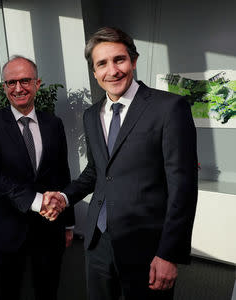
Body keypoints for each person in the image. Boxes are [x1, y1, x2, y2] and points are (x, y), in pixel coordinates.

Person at [42, 27, 198, 300]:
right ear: (94, 72)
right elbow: (96, 172)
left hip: (149, 247)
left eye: (119, 59)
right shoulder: (91, 116)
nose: (112, 70)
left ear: (134, 60)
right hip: (98, 242)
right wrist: (65, 197)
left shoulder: (169, 108)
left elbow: (183, 188)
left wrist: (169, 254)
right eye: (102, 63)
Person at [0, 55, 75, 300]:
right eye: (11, 83)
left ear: (37, 83)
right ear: (4, 87)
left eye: (24, 81)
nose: (18, 88)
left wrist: (69, 222)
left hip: (50, 227)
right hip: (8, 227)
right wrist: (35, 200)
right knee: (9, 292)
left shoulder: (54, 123)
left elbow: (63, 173)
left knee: (48, 290)